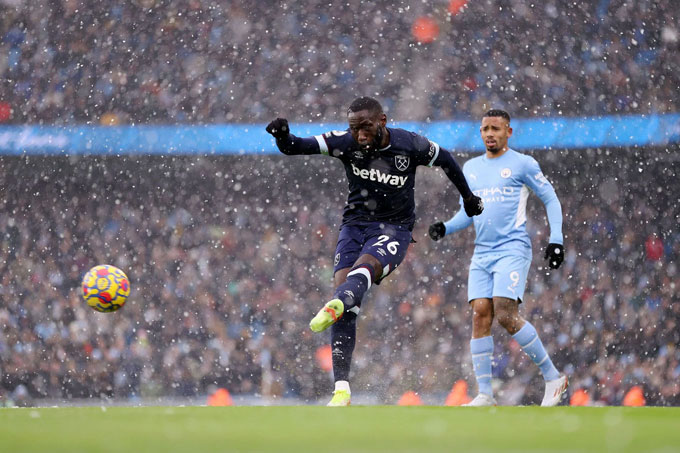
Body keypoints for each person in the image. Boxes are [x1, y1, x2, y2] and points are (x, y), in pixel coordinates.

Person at [266, 97, 484, 406]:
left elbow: (446, 160)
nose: (361, 135)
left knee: (359, 276)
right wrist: (281, 136)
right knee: (347, 305)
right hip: (354, 227)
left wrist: (469, 197)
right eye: (355, 128)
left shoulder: (409, 144)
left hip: (394, 229)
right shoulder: (344, 142)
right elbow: (295, 146)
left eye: (366, 127)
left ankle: (340, 300)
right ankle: (341, 390)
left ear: (382, 120)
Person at [429, 109, 568, 406]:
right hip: (483, 252)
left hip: (512, 248)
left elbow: (550, 198)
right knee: (480, 313)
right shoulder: (471, 169)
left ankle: (553, 377)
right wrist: (446, 227)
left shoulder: (522, 164)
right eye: (485, 129)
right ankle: (485, 394)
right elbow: (468, 212)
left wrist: (556, 240)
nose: (489, 133)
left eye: (495, 128)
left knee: (504, 313)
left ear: (508, 132)